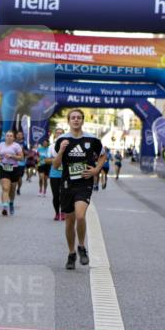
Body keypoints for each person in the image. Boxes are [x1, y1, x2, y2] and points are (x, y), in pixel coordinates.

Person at [52, 110, 105, 270]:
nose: (76, 120)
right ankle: (71, 253)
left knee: (80, 215)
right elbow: (55, 165)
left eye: (79, 118)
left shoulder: (92, 139)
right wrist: (61, 150)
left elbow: (103, 156)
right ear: (68, 121)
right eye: (73, 118)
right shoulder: (61, 139)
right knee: (69, 221)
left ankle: (81, 246)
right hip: (67, 183)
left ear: (83, 120)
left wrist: (96, 170)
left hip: (84, 183)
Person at [0, 129, 23, 216]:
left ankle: (11, 203)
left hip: (14, 169)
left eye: (11, 136)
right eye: (7, 135)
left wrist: (12, 156)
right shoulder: (1, 144)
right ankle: (4, 207)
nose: (9, 137)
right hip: (3, 167)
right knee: (5, 188)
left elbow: (21, 158)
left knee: (12, 190)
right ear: (5, 137)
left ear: (13, 138)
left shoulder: (17, 146)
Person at [48, 127, 65, 221]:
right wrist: (56, 160)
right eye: (57, 133)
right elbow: (46, 160)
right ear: (55, 135)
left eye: (61, 133)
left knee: (64, 194)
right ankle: (57, 213)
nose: (59, 134)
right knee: (56, 195)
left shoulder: (69, 146)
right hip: (54, 174)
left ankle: (63, 212)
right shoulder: (51, 147)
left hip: (65, 174)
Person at [13, 129, 28, 195]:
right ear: (16, 135)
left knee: (19, 177)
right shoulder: (13, 142)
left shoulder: (24, 143)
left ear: (22, 136)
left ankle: (18, 188)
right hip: (12, 162)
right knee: (13, 177)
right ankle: (13, 189)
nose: (19, 136)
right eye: (18, 134)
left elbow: (27, 153)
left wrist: (22, 150)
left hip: (21, 163)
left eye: (20, 135)